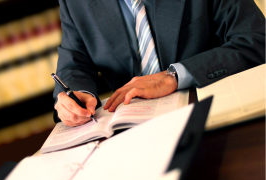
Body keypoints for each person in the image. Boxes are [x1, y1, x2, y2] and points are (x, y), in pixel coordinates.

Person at [53, 0, 265, 127]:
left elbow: (256, 40)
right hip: (133, 130)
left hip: (212, 113)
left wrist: (175, 76)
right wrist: (77, 95)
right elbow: (74, 63)